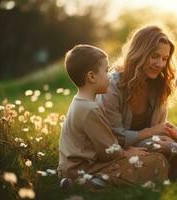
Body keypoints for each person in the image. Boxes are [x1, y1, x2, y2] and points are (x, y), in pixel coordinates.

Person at [57, 44, 169, 189]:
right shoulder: (91, 109)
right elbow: (108, 150)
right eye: (106, 70)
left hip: (71, 166)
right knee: (157, 161)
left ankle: (85, 181)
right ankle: (95, 183)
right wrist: (126, 153)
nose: (109, 75)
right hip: (85, 168)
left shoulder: (79, 102)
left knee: (150, 160)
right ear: (91, 77)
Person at [97, 25, 177, 150]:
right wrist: (151, 132)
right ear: (139, 53)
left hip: (147, 143)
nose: (160, 64)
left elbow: (161, 129)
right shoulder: (112, 86)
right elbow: (115, 137)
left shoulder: (159, 84)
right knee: (163, 146)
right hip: (116, 149)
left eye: (165, 59)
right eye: (154, 56)